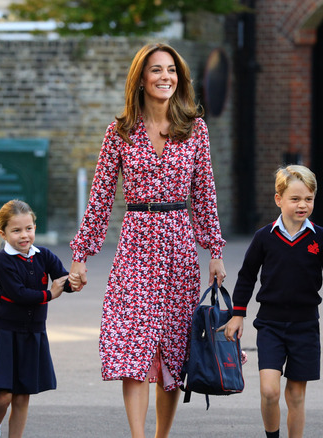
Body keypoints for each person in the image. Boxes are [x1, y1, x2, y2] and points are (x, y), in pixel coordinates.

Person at [68, 42, 227, 438]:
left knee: (173, 351)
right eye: (156, 70)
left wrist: (215, 252)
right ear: (141, 78)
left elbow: (205, 193)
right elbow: (101, 198)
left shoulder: (195, 129)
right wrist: (81, 254)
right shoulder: (119, 131)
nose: (165, 77)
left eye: (171, 70)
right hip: (136, 244)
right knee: (133, 344)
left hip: (178, 245)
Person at [223, 165, 323, 438]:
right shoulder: (264, 237)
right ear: (279, 199)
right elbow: (247, 276)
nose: (302, 205)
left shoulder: (320, 237)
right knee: (269, 390)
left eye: (308, 199)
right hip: (270, 325)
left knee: (296, 396)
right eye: (295, 199)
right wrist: (238, 314)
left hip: (306, 326)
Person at [0, 199, 76, 438]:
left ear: (34, 227)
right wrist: (50, 294)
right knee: (3, 397)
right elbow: (19, 294)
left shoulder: (44, 255)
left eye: (29, 228)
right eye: (16, 230)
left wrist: (74, 281)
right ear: (3, 233)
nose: (24, 235)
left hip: (33, 334)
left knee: (22, 396)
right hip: (5, 333)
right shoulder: (2, 261)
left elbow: (62, 277)